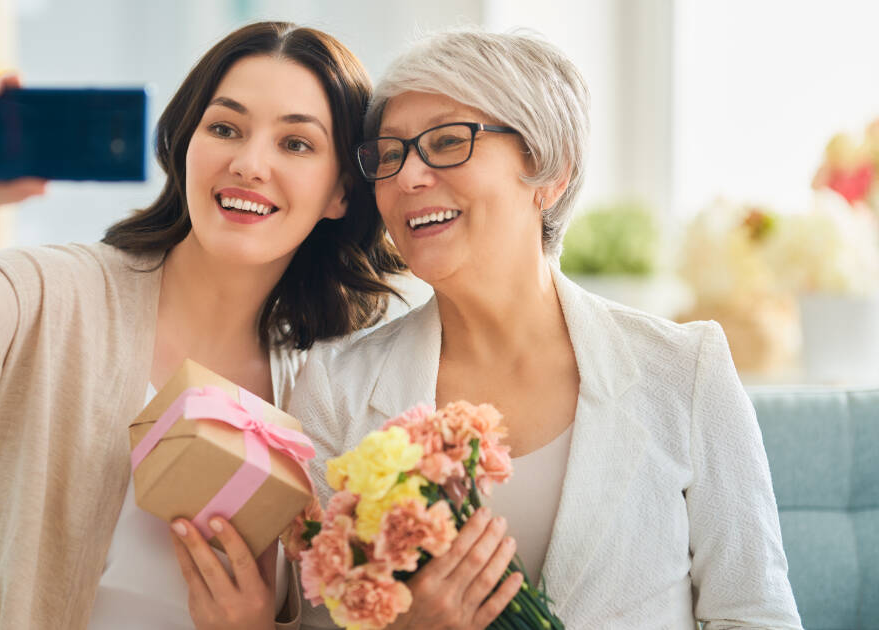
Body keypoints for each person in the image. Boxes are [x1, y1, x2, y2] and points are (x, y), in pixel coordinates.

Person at [0, 21, 403, 630]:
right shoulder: (51, 292)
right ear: (186, 145)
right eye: (224, 128)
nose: (249, 162)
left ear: (342, 193)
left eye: (296, 144)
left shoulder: (325, 392)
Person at [289, 27, 802, 629]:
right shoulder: (334, 386)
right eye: (390, 154)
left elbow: (756, 615)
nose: (407, 178)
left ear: (550, 172)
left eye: (448, 141)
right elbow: (315, 618)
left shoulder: (687, 370)